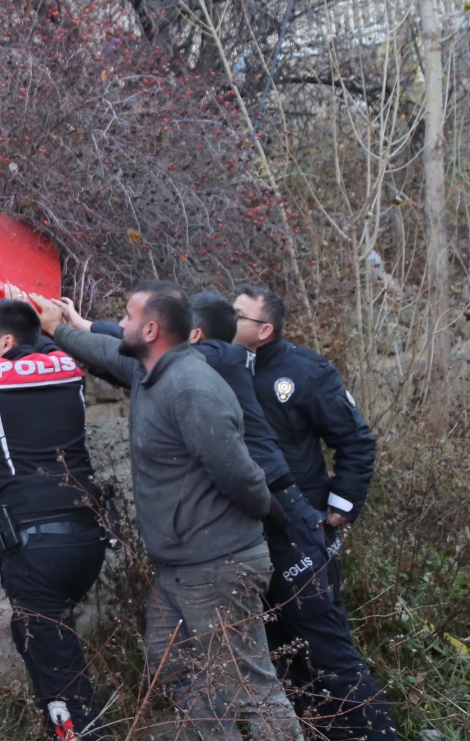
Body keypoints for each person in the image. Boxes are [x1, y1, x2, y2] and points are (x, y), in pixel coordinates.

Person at [35, 284, 302, 741]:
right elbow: (101, 345)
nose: (120, 323)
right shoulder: (148, 370)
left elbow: (238, 472)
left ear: (152, 330)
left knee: (249, 685)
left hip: (220, 566)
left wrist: (269, 513)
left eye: (128, 317)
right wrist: (58, 327)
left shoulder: (192, 386)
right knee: (174, 667)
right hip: (178, 568)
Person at [0, 299, 109, 741]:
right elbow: (50, 350)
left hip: (35, 547)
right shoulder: (68, 366)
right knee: (39, 638)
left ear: (6, 341)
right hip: (87, 539)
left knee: (58, 671)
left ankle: (77, 732)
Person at [234, 286, 395, 740]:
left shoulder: (304, 372)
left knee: (326, 650)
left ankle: (371, 733)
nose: (230, 321)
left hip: (301, 534)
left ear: (264, 330)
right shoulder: (219, 368)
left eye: (239, 316)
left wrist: (336, 513)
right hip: (245, 539)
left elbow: (356, 441)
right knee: (278, 653)